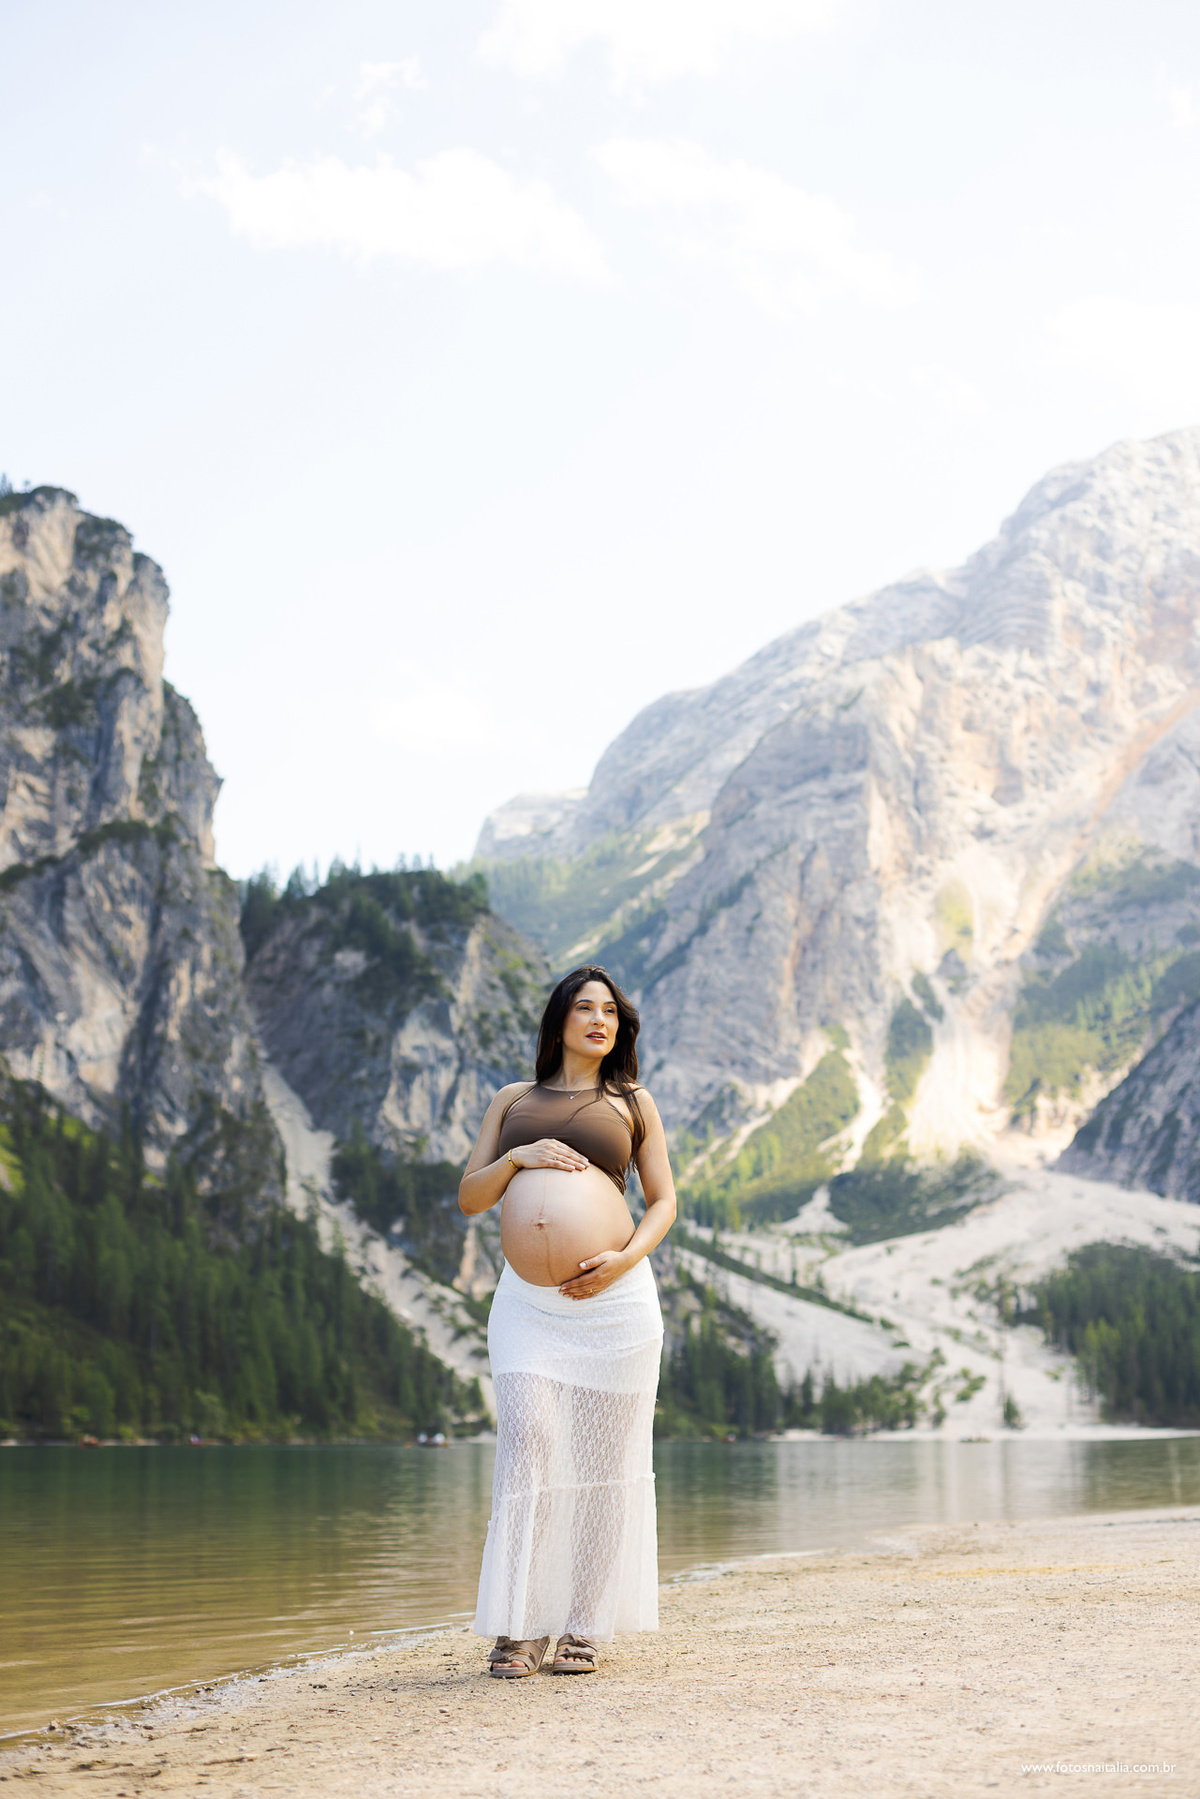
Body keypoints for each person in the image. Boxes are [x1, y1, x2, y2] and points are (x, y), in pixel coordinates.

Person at [459, 963, 677, 1677]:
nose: (599, 1019)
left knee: (606, 1466)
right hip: (527, 1306)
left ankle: (583, 1623)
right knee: (530, 1443)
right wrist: (517, 1155)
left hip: (616, 1304)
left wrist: (622, 1260)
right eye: (584, 1006)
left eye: (610, 1010)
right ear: (559, 1019)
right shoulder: (511, 1099)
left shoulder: (634, 1101)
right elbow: (469, 1195)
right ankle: (520, 1624)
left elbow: (663, 1202)